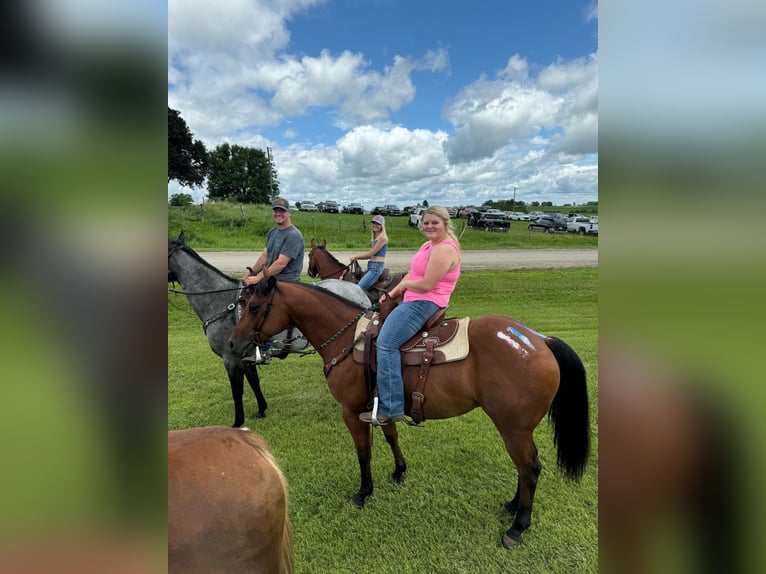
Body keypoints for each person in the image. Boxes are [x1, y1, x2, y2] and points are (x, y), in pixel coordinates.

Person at [359, 206, 461, 425]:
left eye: (434, 222)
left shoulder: (444, 249)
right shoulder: (428, 245)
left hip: (425, 301)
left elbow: (427, 284)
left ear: (445, 223)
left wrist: (403, 285)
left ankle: (391, 408)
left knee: (386, 344)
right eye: (426, 223)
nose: (429, 226)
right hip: (412, 298)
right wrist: (392, 294)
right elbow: (413, 274)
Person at [241, 197, 304, 363]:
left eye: (282, 211)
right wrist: (251, 273)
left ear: (289, 213)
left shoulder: (294, 235)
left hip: (287, 282)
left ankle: (265, 349)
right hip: (271, 280)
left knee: (267, 308)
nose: (278, 213)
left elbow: (281, 263)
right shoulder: (273, 232)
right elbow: (265, 256)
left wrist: (258, 279)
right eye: (276, 210)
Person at [350, 214, 388, 291]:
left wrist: (356, 256)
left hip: (376, 268)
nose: (375, 225)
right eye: (374, 223)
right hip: (371, 266)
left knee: (359, 289)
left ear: (382, 226)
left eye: (378, 224)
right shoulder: (375, 239)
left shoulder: (383, 238)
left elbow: (371, 254)